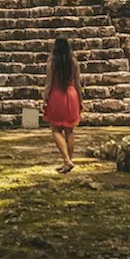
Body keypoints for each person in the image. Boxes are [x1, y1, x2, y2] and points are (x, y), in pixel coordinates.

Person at [41, 36, 82, 173]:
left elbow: (49, 84)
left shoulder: (52, 63)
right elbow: (78, 84)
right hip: (72, 95)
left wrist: (44, 100)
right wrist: (81, 101)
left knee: (56, 129)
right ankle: (68, 161)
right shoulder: (74, 62)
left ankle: (66, 161)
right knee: (69, 130)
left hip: (57, 96)